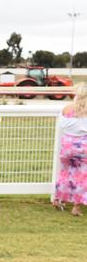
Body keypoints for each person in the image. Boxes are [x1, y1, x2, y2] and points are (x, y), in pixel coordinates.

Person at [53, 83, 87, 216]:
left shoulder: (66, 109)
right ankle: (76, 207)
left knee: (65, 173)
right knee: (82, 176)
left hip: (67, 145)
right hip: (83, 146)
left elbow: (62, 125)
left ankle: (58, 199)